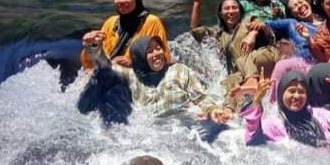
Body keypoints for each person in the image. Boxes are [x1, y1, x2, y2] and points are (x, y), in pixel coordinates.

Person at [79, 35, 231, 125]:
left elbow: (201, 97)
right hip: (155, 134)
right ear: (139, 57)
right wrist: (93, 47)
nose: (156, 53)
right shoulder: (132, 77)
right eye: (149, 51)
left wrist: (212, 110)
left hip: (186, 126)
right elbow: (106, 66)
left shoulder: (179, 70)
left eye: (158, 48)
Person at [189, 0, 280, 114]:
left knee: (243, 59)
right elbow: (196, 30)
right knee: (230, 80)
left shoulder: (248, 20)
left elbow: (260, 25)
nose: (231, 11)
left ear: (240, 11)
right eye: (226, 8)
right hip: (241, 72)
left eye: (234, 7)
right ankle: (228, 112)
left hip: (263, 57)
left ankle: (251, 81)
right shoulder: (219, 34)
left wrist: (252, 34)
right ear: (220, 14)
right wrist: (197, 2)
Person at [80, 0, 170, 70]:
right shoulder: (111, 23)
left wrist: (133, 64)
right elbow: (92, 64)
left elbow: (163, 60)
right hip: (110, 74)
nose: (122, 1)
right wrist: (91, 45)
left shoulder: (152, 22)